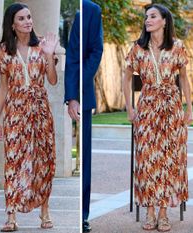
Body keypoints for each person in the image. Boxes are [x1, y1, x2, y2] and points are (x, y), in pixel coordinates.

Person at [123, 4, 192, 232]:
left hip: (171, 107)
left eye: (153, 16)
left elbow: (183, 79)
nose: (147, 20)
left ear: (164, 20)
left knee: (168, 158)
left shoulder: (178, 47)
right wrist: (129, 108)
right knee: (147, 159)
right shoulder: (138, 48)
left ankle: (163, 213)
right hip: (147, 106)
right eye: (146, 17)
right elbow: (126, 78)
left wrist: (189, 109)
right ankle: (150, 211)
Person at [0, 3, 58, 232]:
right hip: (15, 112)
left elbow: (52, 80)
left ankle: (45, 212)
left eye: (29, 17)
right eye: (22, 18)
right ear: (12, 23)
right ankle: (11, 217)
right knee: (13, 161)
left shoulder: (42, 45)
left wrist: (49, 55)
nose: (28, 21)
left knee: (43, 160)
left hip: (40, 110)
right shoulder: (4, 50)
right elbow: (3, 88)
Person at [81, 1, 103, 232]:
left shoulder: (91, 9)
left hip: (83, 93)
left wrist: (77, 86)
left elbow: (96, 50)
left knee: (85, 156)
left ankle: (82, 215)